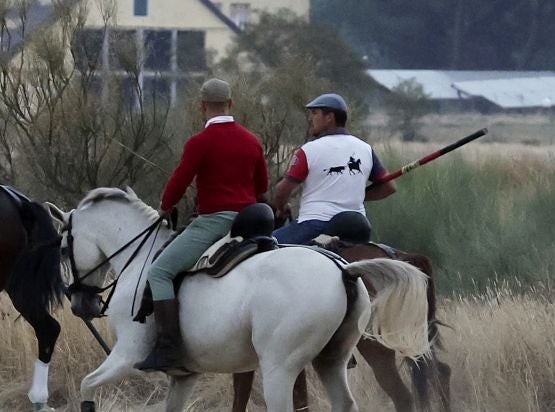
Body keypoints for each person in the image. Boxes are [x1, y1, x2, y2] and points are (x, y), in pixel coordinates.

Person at [137, 78, 270, 373]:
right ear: (231, 103)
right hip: (251, 223)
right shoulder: (252, 140)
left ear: (202, 106)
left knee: (159, 272)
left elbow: (180, 180)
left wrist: (165, 206)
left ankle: (168, 349)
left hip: (214, 223)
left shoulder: (200, 142)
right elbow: (262, 185)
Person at [266, 92, 395, 246]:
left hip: (315, 225)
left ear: (329, 117)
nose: (310, 118)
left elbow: (282, 191)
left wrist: (281, 208)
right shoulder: (365, 149)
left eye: (315, 113)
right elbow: (389, 187)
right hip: (357, 227)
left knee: (266, 246)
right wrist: (357, 196)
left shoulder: (309, 150)